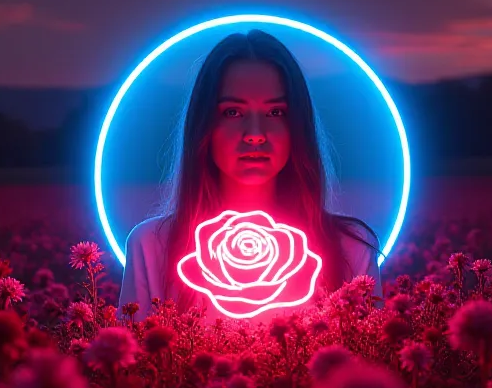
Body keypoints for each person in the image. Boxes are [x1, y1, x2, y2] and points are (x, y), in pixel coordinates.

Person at [118, 29, 382, 323]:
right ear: (203, 127)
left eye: (276, 113)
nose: (255, 135)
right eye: (232, 112)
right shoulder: (152, 247)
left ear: (298, 127)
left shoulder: (352, 247)